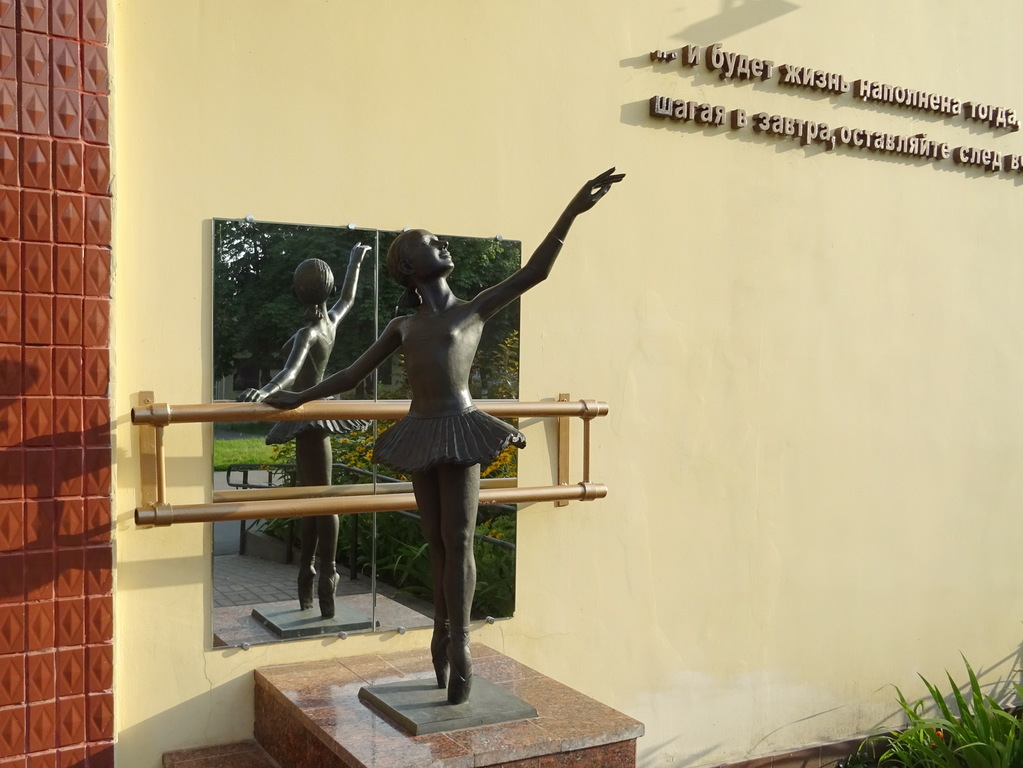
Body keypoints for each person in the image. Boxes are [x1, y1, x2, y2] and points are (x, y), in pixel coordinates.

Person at [266, 168, 625, 704]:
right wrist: (297, 398)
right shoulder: (404, 326)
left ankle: (460, 644)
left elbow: (535, 272)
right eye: (430, 243)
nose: (443, 245)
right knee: (435, 542)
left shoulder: (473, 308)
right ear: (410, 268)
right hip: (420, 431)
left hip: (461, 428)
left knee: (458, 540)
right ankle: (439, 629)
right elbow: (350, 375)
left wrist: (572, 209)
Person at [238, 242, 371, 618]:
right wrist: (354, 260)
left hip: (308, 419)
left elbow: (290, 373)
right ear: (328, 290)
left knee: (321, 499)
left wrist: (263, 392)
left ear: (298, 292)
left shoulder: (308, 332)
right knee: (314, 498)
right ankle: (311, 571)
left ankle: (324, 572)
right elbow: (348, 297)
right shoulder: (331, 321)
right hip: (315, 416)